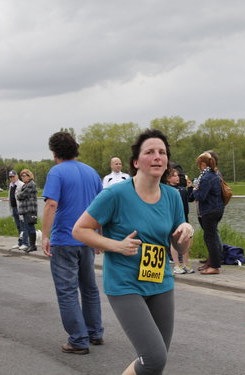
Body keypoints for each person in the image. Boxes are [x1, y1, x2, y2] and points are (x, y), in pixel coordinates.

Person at [73, 128, 194, 375]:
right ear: (136, 162)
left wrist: (186, 232)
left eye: (162, 152)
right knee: (153, 357)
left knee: (156, 362)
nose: (157, 157)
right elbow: (80, 230)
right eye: (150, 152)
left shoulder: (172, 196)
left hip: (160, 281)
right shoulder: (116, 194)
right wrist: (116, 245)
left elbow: (179, 247)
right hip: (125, 284)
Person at [42, 131, 104, 355]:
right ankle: (95, 331)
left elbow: (51, 205)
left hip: (64, 239)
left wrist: (45, 235)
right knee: (89, 287)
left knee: (67, 291)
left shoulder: (56, 172)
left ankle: (78, 339)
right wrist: (99, 236)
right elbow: (101, 207)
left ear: (54, 151)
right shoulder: (91, 172)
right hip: (87, 238)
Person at [191, 152, 225, 275]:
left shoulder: (207, 177)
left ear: (203, 164)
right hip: (215, 209)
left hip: (209, 211)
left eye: (199, 164)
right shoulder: (213, 175)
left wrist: (195, 190)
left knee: (210, 238)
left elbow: (201, 196)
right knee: (210, 237)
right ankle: (211, 263)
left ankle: (215, 266)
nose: (198, 167)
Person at [167, 168, 195, 274]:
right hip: (174, 219)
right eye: (174, 176)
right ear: (169, 179)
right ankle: (177, 265)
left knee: (186, 241)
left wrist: (190, 187)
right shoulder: (168, 190)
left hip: (185, 219)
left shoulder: (182, 189)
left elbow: (191, 198)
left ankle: (185, 263)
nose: (177, 177)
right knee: (175, 242)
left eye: (178, 175)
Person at [16, 169, 38, 253]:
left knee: (30, 227)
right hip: (25, 209)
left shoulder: (31, 184)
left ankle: (33, 245)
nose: (23, 177)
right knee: (28, 227)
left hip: (30, 209)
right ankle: (30, 244)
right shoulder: (26, 185)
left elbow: (22, 195)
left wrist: (18, 195)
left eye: (24, 176)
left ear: (29, 176)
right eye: (22, 176)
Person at [8, 170, 27, 250]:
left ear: (17, 176)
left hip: (20, 208)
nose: (12, 178)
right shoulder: (11, 185)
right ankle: (20, 242)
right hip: (14, 207)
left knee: (23, 226)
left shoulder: (21, 185)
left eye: (13, 176)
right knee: (18, 226)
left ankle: (25, 243)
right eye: (10, 177)